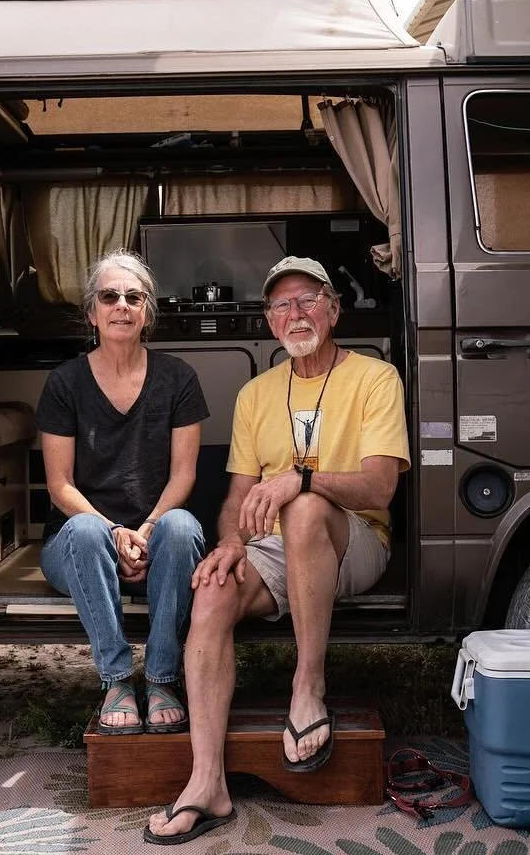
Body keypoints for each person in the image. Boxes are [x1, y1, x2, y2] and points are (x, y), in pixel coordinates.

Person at [145, 256, 409, 845]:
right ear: (269, 321)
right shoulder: (256, 394)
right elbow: (238, 496)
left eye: (309, 299)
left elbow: (380, 488)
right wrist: (230, 544)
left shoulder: (375, 377)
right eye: (282, 305)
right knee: (213, 589)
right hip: (272, 548)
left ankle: (308, 685)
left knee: (305, 507)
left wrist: (302, 479)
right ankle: (207, 782)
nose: (296, 313)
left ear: (333, 310)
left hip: (353, 540)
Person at [35, 249, 210, 736]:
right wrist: (114, 531)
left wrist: (147, 530)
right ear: (92, 313)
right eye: (109, 296)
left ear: (147, 313)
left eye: (134, 297)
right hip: (83, 547)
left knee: (183, 526)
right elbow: (59, 485)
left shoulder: (178, 378)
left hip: (157, 542)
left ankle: (161, 678)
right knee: (85, 530)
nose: (122, 306)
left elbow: (184, 476)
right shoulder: (65, 382)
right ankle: (115, 679)